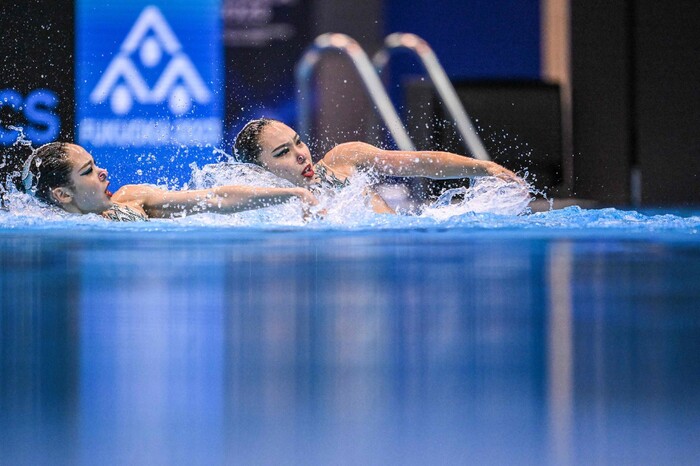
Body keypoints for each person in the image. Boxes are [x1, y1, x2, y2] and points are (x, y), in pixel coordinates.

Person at [233, 118, 525, 214]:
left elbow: (418, 163)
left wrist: (484, 168)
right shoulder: (265, 208)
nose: (300, 155)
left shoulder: (343, 160)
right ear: (259, 169)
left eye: (298, 142)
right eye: (284, 152)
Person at [18, 142, 318, 221]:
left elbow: (214, 199)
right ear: (62, 195)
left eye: (95, 164)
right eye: (87, 171)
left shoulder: (133, 199)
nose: (103, 172)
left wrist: (289, 194)